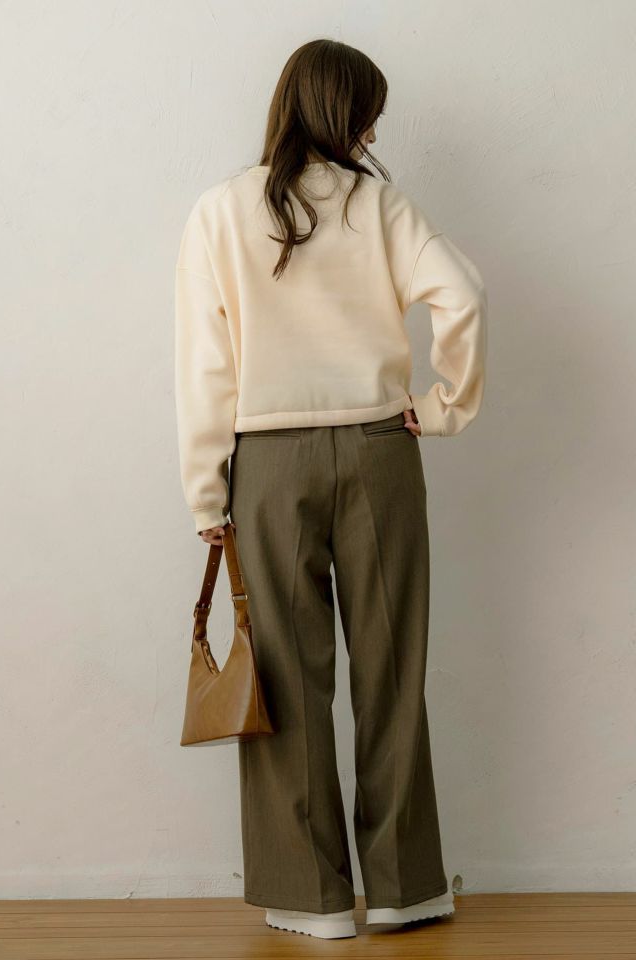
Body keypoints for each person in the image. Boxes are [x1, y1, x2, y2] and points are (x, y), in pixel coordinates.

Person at [174, 38, 487, 940]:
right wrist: (444, 407)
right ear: (341, 113)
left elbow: (205, 366)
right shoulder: (381, 206)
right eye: (367, 115)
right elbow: (464, 295)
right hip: (383, 449)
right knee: (392, 669)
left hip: (268, 464)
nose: (373, 133)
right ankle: (401, 888)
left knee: (285, 675)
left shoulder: (220, 211)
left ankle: (312, 901)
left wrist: (206, 494)